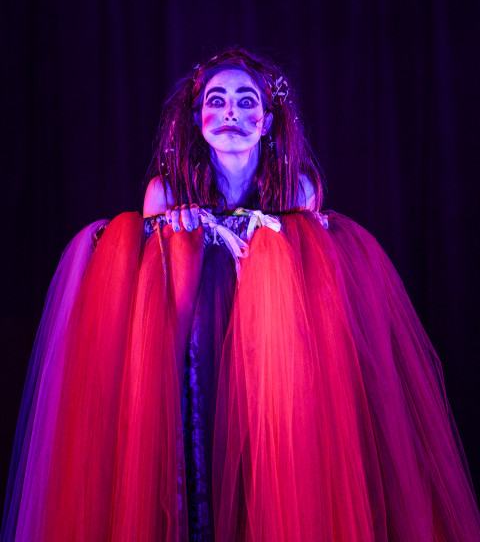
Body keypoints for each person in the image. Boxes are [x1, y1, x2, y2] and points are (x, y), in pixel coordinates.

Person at [2, 47, 480, 542]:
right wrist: (183, 237)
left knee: (266, 468)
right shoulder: (168, 192)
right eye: (217, 100)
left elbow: (312, 290)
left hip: (273, 359)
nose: (231, 111)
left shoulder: (295, 190)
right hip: (194, 353)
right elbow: (155, 303)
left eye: (246, 101)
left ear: (267, 120)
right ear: (198, 118)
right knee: (201, 461)